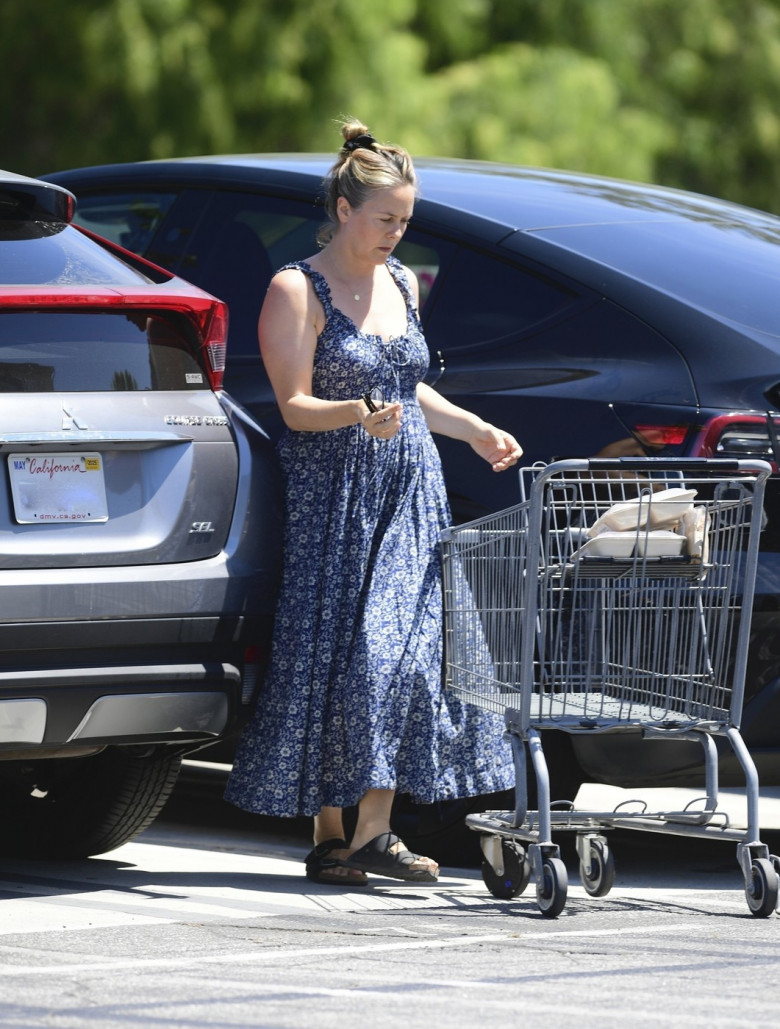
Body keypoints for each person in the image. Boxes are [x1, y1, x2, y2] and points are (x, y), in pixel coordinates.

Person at [224, 119, 523, 886]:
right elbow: (293, 404)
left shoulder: (401, 283)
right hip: (336, 498)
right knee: (337, 655)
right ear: (345, 209)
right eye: (386, 218)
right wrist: (356, 411)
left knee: (406, 654)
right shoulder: (297, 288)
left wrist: (472, 429)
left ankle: (375, 828)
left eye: (406, 221)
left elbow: (408, 388)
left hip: (410, 493)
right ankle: (331, 833)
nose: (397, 234)